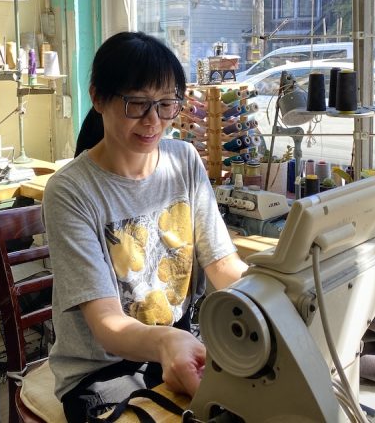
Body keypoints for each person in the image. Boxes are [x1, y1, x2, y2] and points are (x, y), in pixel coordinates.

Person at [43, 31, 248, 422]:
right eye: (137, 104)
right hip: (102, 373)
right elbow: (107, 324)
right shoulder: (71, 191)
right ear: (98, 98)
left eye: (166, 104)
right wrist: (168, 341)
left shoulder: (184, 160)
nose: (153, 121)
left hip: (180, 342)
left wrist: (270, 301)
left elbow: (223, 265)